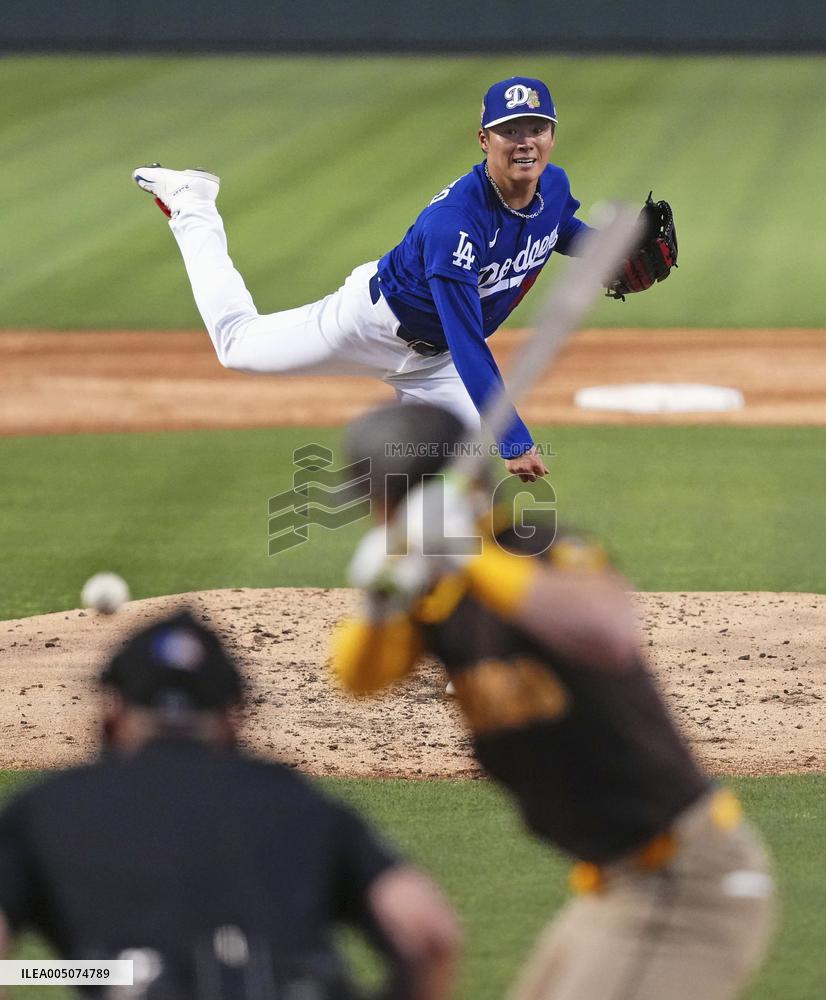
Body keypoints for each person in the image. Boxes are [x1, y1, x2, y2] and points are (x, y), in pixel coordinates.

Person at [332, 401, 775, 1000]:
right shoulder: (428, 589)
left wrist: (466, 550)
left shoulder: (539, 549)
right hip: (614, 888)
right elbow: (358, 679)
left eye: (376, 500)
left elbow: (609, 631)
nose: (373, 517)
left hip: (684, 883)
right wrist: (380, 603)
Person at [132, 76, 605, 484]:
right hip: (368, 324)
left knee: (459, 474)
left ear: (552, 135)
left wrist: (611, 251)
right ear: (484, 140)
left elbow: (559, 227)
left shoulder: (554, 186)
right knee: (236, 346)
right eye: (510, 131)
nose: (525, 142)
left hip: (436, 363)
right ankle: (192, 203)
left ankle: (430, 582)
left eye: (537, 129)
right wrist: (513, 438)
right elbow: (467, 340)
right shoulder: (454, 225)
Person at [0, 609, 459, 1000]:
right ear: (231, 718)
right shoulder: (297, 800)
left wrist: (70, 972)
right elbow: (429, 934)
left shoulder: (48, 808)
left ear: (113, 714)